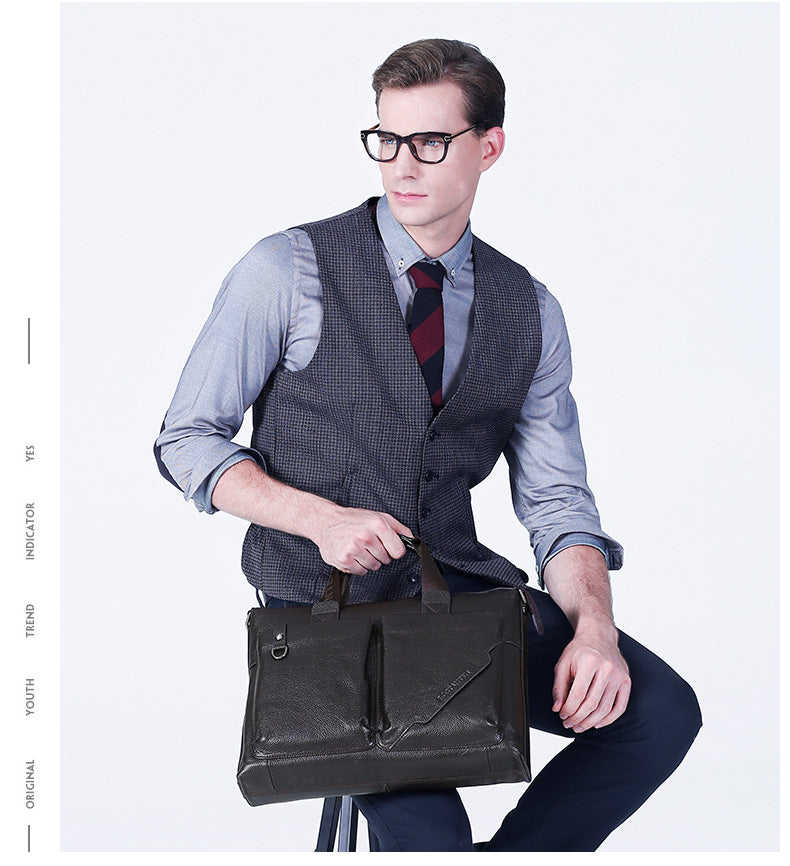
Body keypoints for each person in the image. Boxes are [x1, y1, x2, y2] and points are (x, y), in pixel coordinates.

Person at [154, 38, 701, 852]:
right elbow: (187, 440)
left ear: (489, 146)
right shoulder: (287, 270)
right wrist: (319, 520)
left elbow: (557, 502)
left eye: (430, 142)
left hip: (458, 597)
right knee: (431, 840)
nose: (402, 165)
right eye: (387, 139)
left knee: (658, 712)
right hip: (328, 616)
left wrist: (594, 629)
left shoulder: (529, 309)